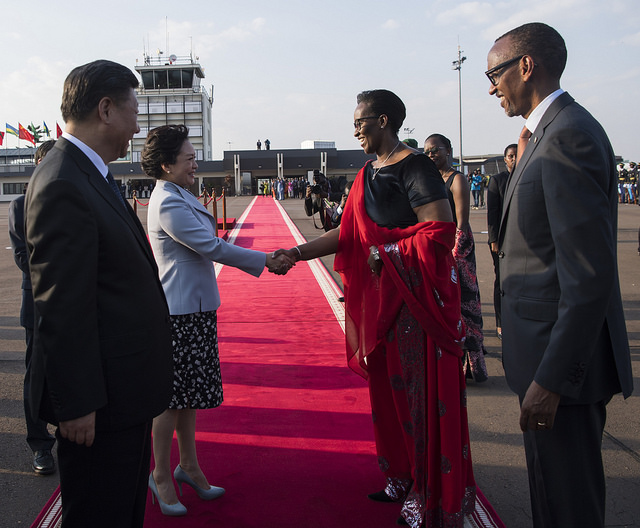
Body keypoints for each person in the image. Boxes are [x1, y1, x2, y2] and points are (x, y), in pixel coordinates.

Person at [277, 89, 475, 527]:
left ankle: (429, 488)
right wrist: (297, 252)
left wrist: (389, 254)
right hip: (380, 301)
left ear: (384, 121)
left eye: (360, 123)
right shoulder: (367, 173)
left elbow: (440, 231)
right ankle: (400, 475)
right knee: (387, 390)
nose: (356, 131)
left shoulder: (415, 166)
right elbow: (349, 235)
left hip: (415, 301)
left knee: (418, 394)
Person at [486, 22, 633, 527]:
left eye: (494, 72)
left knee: (569, 508)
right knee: (550, 502)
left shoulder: (568, 136)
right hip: (542, 359)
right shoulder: (545, 135)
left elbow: (588, 276)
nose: (490, 86)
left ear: (526, 66)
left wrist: (551, 380)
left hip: (561, 373)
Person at [24, 59, 175, 527]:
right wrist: (78, 404)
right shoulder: (63, 182)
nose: (137, 125)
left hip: (122, 395)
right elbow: (61, 306)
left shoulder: (90, 173)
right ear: (105, 109)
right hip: (99, 408)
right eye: (134, 109)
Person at [142, 124, 293, 516]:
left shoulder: (180, 193)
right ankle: (160, 475)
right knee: (171, 400)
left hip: (195, 308)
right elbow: (209, 245)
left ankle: (188, 466)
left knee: (189, 396)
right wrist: (265, 261)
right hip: (178, 313)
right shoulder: (168, 201)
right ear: (165, 164)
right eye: (188, 158)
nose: (195, 163)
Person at [8, 140, 57, 475]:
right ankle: (40, 445)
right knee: (36, 376)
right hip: (38, 304)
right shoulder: (20, 204)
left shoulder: (70, 201)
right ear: (38, 163)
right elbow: (23, 258)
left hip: (76, 304)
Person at [424, 134, 488, 382]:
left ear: (448, 151)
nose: (431, 155)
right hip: (436, 247)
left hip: (457, 249)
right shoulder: (430, 180)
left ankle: (471, 366)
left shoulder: (456, 179)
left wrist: (453, 255)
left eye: (436, 150)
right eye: (428, 151)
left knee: (463, 305)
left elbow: (462, 223)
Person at [486, 144, 517, 339]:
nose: (513, 159)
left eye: (516, 155)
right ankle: (500, 323)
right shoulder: (498, 180)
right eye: (510, 156)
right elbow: (492, 213)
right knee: (502, 282)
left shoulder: (528, 176)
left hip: (521, 241)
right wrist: (494, 240)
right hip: (502, 241)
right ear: (504, 160)